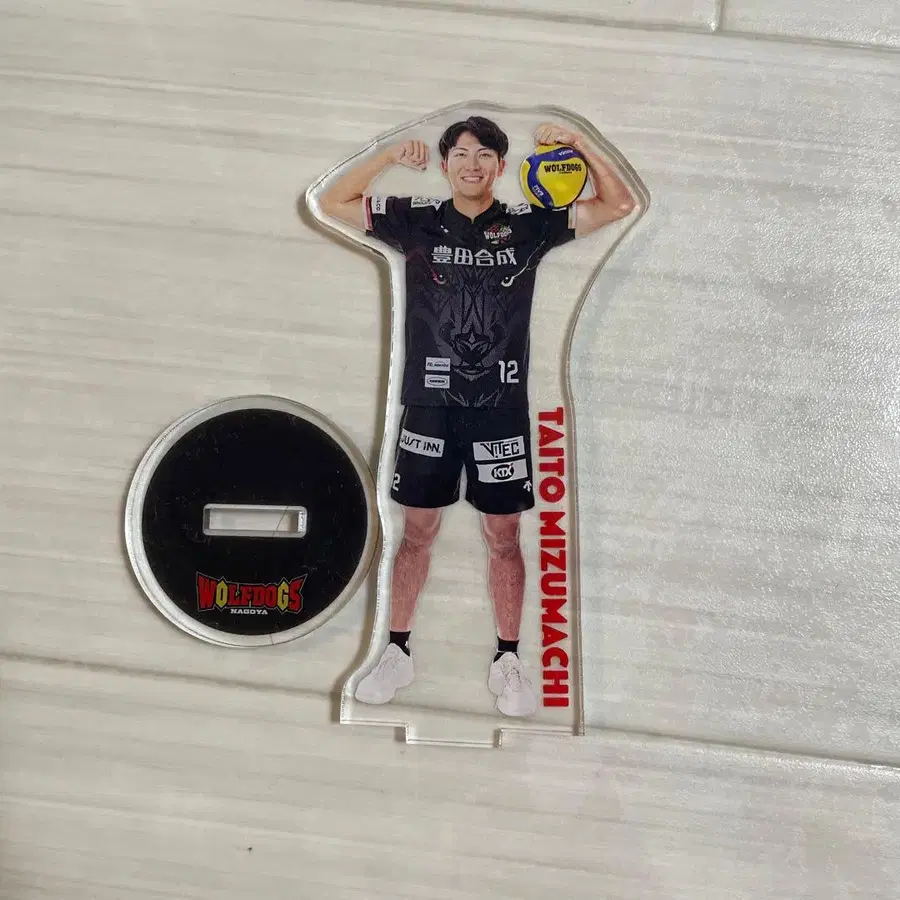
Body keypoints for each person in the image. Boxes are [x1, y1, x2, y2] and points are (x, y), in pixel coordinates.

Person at [319, 115, 635, 717]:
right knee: (416, 532)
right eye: (461, 154)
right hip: (429, 405)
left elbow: (617, 204)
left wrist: (580, 144)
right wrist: (388, 156)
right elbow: (333, 200)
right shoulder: (416, 219)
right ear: (445, 165)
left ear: (500, 166)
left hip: (501, 409)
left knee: (504, 535)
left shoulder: (528, 224)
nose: (472, 164)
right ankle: (397, 650)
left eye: (485, 154)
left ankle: (508, 659)